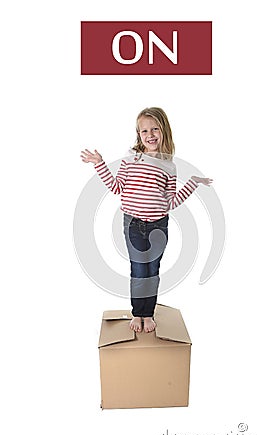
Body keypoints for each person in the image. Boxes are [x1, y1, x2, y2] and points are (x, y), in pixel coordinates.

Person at [80, 107, 213, 333]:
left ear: (164, 131)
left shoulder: (169, 166)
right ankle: (138, 313)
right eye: (144, 131)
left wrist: (192, 182)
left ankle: (148, 313)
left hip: (159, 225)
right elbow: (116, 187)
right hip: (133, 224)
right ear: (138, 134)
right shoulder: (132, 159)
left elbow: (171, 201)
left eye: (155, 129)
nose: (150, 135)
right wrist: (99, 163)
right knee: (139, 268)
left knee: (153, 269)